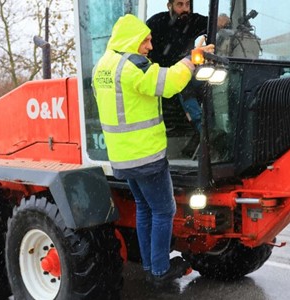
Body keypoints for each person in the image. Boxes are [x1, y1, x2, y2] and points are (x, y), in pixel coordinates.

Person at [92, 14, 214, 286]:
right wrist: (192, 58)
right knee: (163, 210)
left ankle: (150, 265)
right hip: (146, 156)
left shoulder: (104, 65)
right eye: (145, 41)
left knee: (145, 208)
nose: (149, 46)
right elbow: (168, 84)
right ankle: (159, 270)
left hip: (123, 157)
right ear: (130, 41)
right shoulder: (131, 66)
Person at [147, 0, 208, 137]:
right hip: (164, 75)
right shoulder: (156, 22)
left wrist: (223, 21)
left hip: (188, 72)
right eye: (180, 4)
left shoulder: (194, 20)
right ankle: (205, 134)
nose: (185, 9)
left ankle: (219, 127)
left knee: (213, 84)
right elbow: (142, 44)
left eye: (187, 4)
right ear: (170, 6)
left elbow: (215, 23)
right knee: (185, 88)